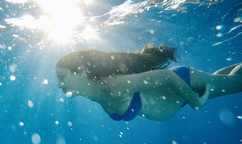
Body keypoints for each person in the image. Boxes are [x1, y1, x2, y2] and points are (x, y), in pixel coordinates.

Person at [56, 44, 242, 121]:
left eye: (62, 77)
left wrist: (196, 102)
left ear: (80, 73)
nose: (59, 84)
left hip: (183, 83)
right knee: (224, 79)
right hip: (179, 95)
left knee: (236, 82)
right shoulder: (94, 92)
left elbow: (166, 77)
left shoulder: (112, 86)